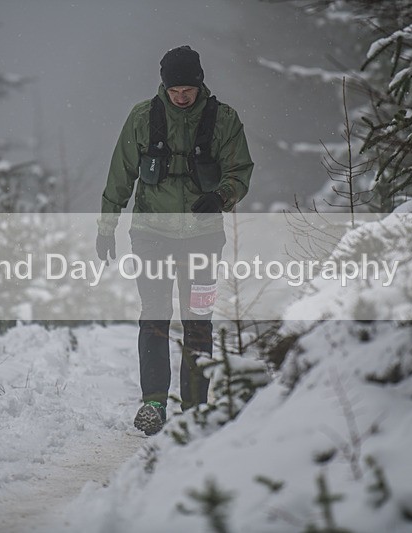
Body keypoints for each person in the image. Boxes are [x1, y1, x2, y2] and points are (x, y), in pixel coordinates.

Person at [96, 45, 254, 435]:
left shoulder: (224, 120)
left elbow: (240, 170)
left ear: (200, 84)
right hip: (151, 233)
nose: (181, 96)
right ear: (163, 86)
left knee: (198, 319)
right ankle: (153, 403)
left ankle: (195, 407)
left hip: (204, 237)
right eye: (174, 90)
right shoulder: (142, 118)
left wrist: (221, 197)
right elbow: (120, 176)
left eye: (188, 89)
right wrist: (106, 228)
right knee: (154, 316)